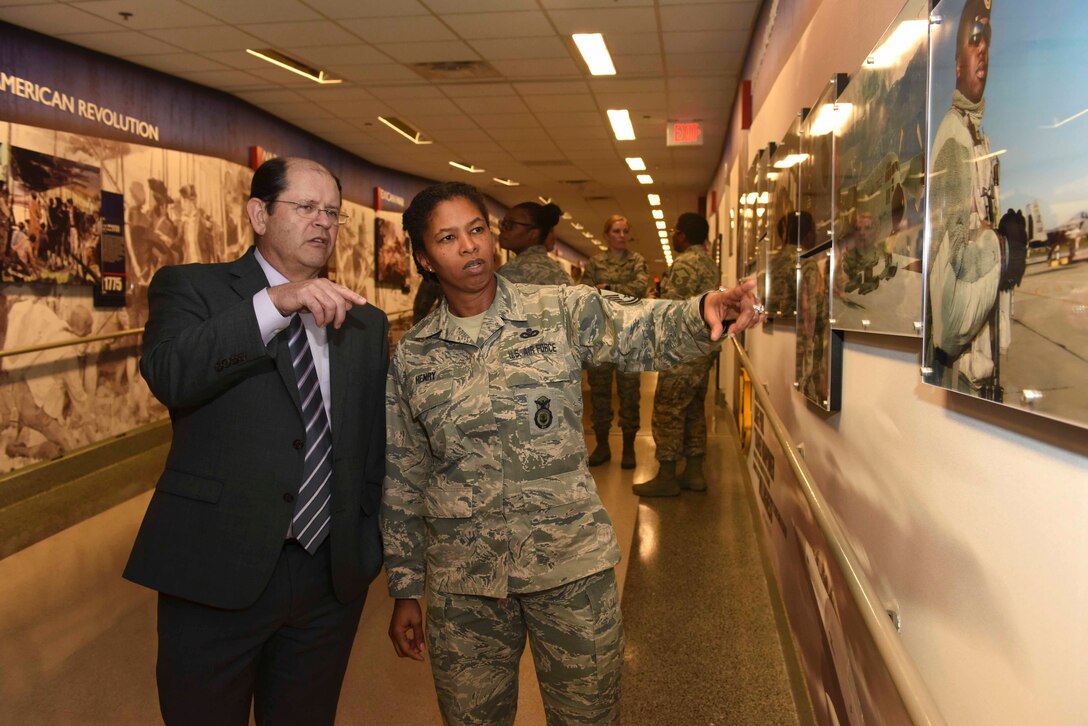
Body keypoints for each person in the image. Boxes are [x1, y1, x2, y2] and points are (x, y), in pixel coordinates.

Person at [381, 181, 764, 725]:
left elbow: (640, 328)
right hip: (466, 587)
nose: (469, 247)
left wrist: (704, 310)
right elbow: (404, 475)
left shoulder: (558, 308)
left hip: (569, 572)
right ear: (424, 258)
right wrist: (404, 586)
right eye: (448, 238)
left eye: (476, 231)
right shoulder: (415, 357)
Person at [124, 157, 388, 726]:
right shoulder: (192, 288)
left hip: (327, 579)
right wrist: (272, 305)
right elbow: (170, 374)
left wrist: (367, 546)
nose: (323, 222)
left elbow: (372, 447)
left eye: (333, 212)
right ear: (258, 214)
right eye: (305, 207)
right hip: (217, 567)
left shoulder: (364, 323)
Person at [926, 0, 1026, 401]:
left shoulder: (974, 137)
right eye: (973, 39)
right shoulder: (954, 140)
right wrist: (1003, 248)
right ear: (957, 63)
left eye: (987, 39)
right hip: (962, 376)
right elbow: (953, 295)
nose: (982, 48)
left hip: (977, 372)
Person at [634, 213, 722, 497]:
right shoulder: (710, 264)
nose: (674, 237)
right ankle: (694, 472)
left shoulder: (683, 265)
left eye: (675, 232)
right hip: (705, 349)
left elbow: (672, 311)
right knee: (695, 409)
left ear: (683, 235)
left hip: (683, 351)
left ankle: (667, 476)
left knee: (668, 410)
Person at [581, 214, 649, 468]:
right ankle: (602, 446)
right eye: (616, 231)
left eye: (625, 231)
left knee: (630, 394)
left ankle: (629, 448)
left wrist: (607, 286)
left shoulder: (636, 261)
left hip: (629, 337)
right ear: (606, 235)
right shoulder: (595, 262)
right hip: (600, 338)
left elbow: (639, 288)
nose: (621, 236)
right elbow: (586, 292)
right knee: (599, 394)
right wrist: (611, 289)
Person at [496, 200, 571, 285]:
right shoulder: (562, 274)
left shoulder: (511, 271)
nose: (502, 229)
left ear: (533, 234)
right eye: (503, 223)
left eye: (510, 224)